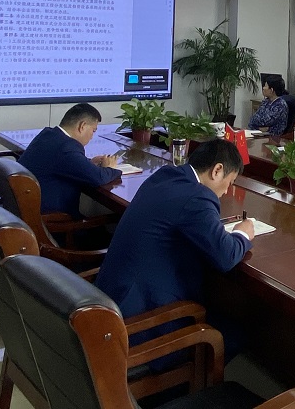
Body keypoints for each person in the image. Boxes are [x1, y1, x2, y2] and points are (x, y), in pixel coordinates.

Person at [96, 139, 255, 352]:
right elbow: (226, 256)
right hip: (138, 323)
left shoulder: (165, 175)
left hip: (110, 301)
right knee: (235, 335)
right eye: (230, 182)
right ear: (217, 170)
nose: (227, 191)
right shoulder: (197, 197)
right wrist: (242, 234)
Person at [18, 103, 122, 217]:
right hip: (50, 220)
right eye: (93, 130)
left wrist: (88, 162)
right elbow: (99, 178)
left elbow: (63, 161)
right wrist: (109, 168)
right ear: (82, 126)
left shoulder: (48, 134)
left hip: (23, 210)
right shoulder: (67, 148)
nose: (92, 136)